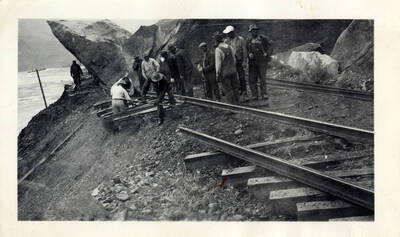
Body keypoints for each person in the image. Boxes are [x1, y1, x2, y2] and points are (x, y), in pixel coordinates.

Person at [246, 24, 273, 100]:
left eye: (256, 30)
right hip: (252, 63)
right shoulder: (248, 40)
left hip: (262, 62)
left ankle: (264, 94)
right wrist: (249, 54)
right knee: (252, 79)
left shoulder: (263, 38)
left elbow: (271, 45)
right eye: (253, 31)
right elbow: (246, 50)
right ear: (250, 32)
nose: (254, 32)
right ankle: (255, 95)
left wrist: (267, 53)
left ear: (258, 31)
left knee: (262, 78)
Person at [215, 33, 240, 105]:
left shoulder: (218, 50)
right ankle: (238, 103)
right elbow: (234, 59)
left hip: (225, 73)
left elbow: (218, 64)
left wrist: (217, 74)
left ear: (216, 41)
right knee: (235, 88)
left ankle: (232, 105)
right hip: (233, 71)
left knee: (228, 89)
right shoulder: (230, 47)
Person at [223, 25, 248, 97]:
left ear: (232, 32)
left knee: (241, 76)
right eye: (227, 33)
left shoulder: (240, 39)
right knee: (234, 77)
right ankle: (238, 90)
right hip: (231, 62)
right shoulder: (226, 41)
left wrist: (245, 61)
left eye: (229, 33)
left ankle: (244, 91)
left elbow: (244, 51)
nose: (227, 35)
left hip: (239, 60)